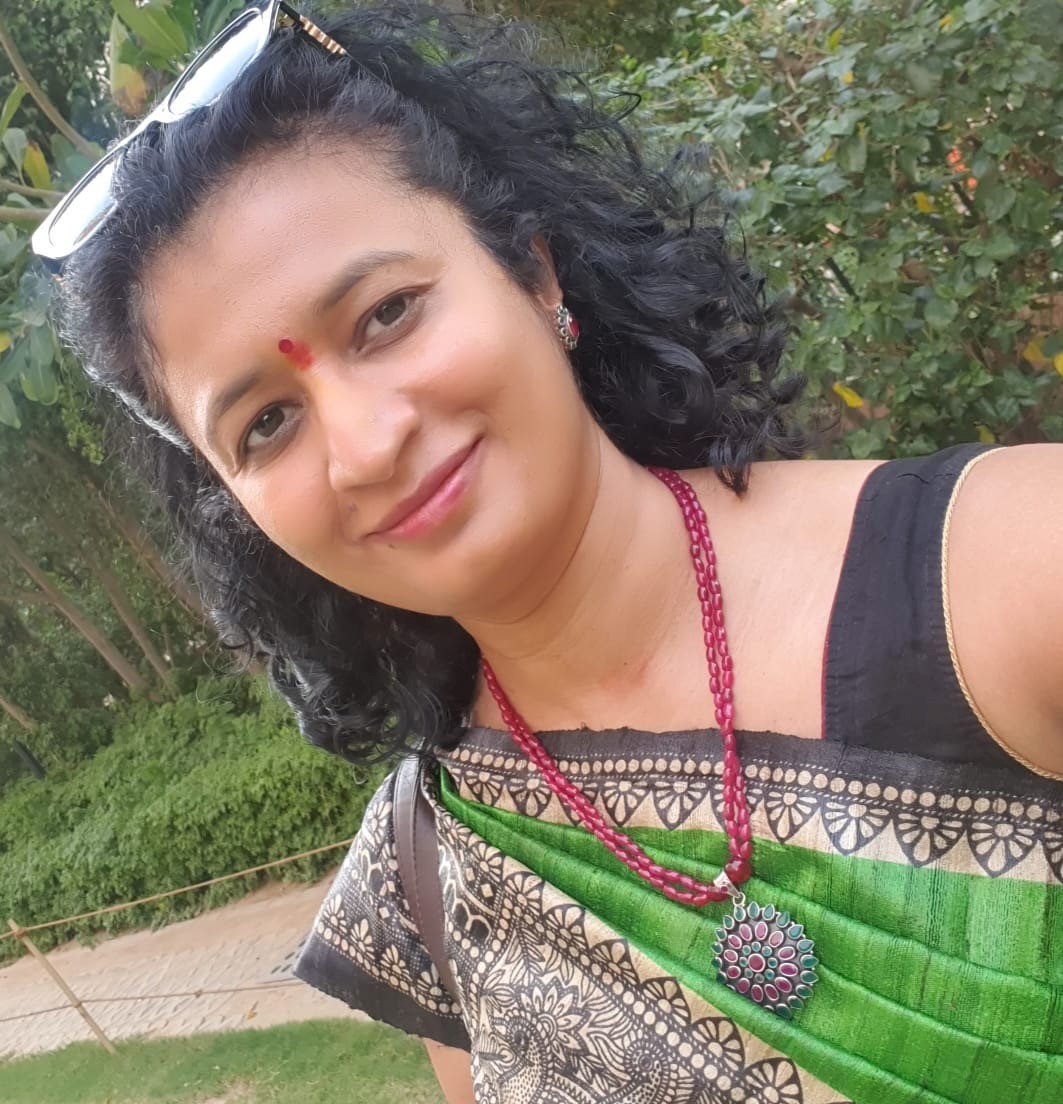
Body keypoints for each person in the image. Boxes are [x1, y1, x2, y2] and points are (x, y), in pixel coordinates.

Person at [35, 3, 1063, 1102]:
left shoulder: (1009, 572)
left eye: (386, 315)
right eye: (267, 425)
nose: (368, 445)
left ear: (533, 274)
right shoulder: (431, 876)